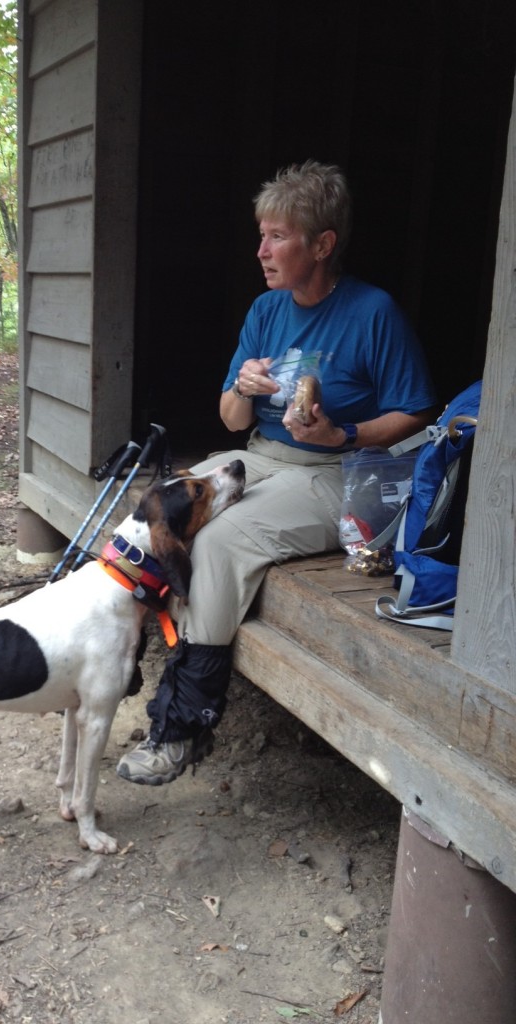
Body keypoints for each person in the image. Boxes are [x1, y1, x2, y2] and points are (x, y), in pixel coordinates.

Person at [116, 159, 437, 786]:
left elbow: (418, 409)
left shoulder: (374, 313)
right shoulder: (266, 311)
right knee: (153, 508)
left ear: (322, 244)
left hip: (339, 472)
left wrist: (343, 432)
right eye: (261, 234)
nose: (261, 250)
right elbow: (232, 420)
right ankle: (125, 658)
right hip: (259, 452)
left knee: (222, 543)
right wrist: (242, 385)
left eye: (278, 236)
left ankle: (183, 726)